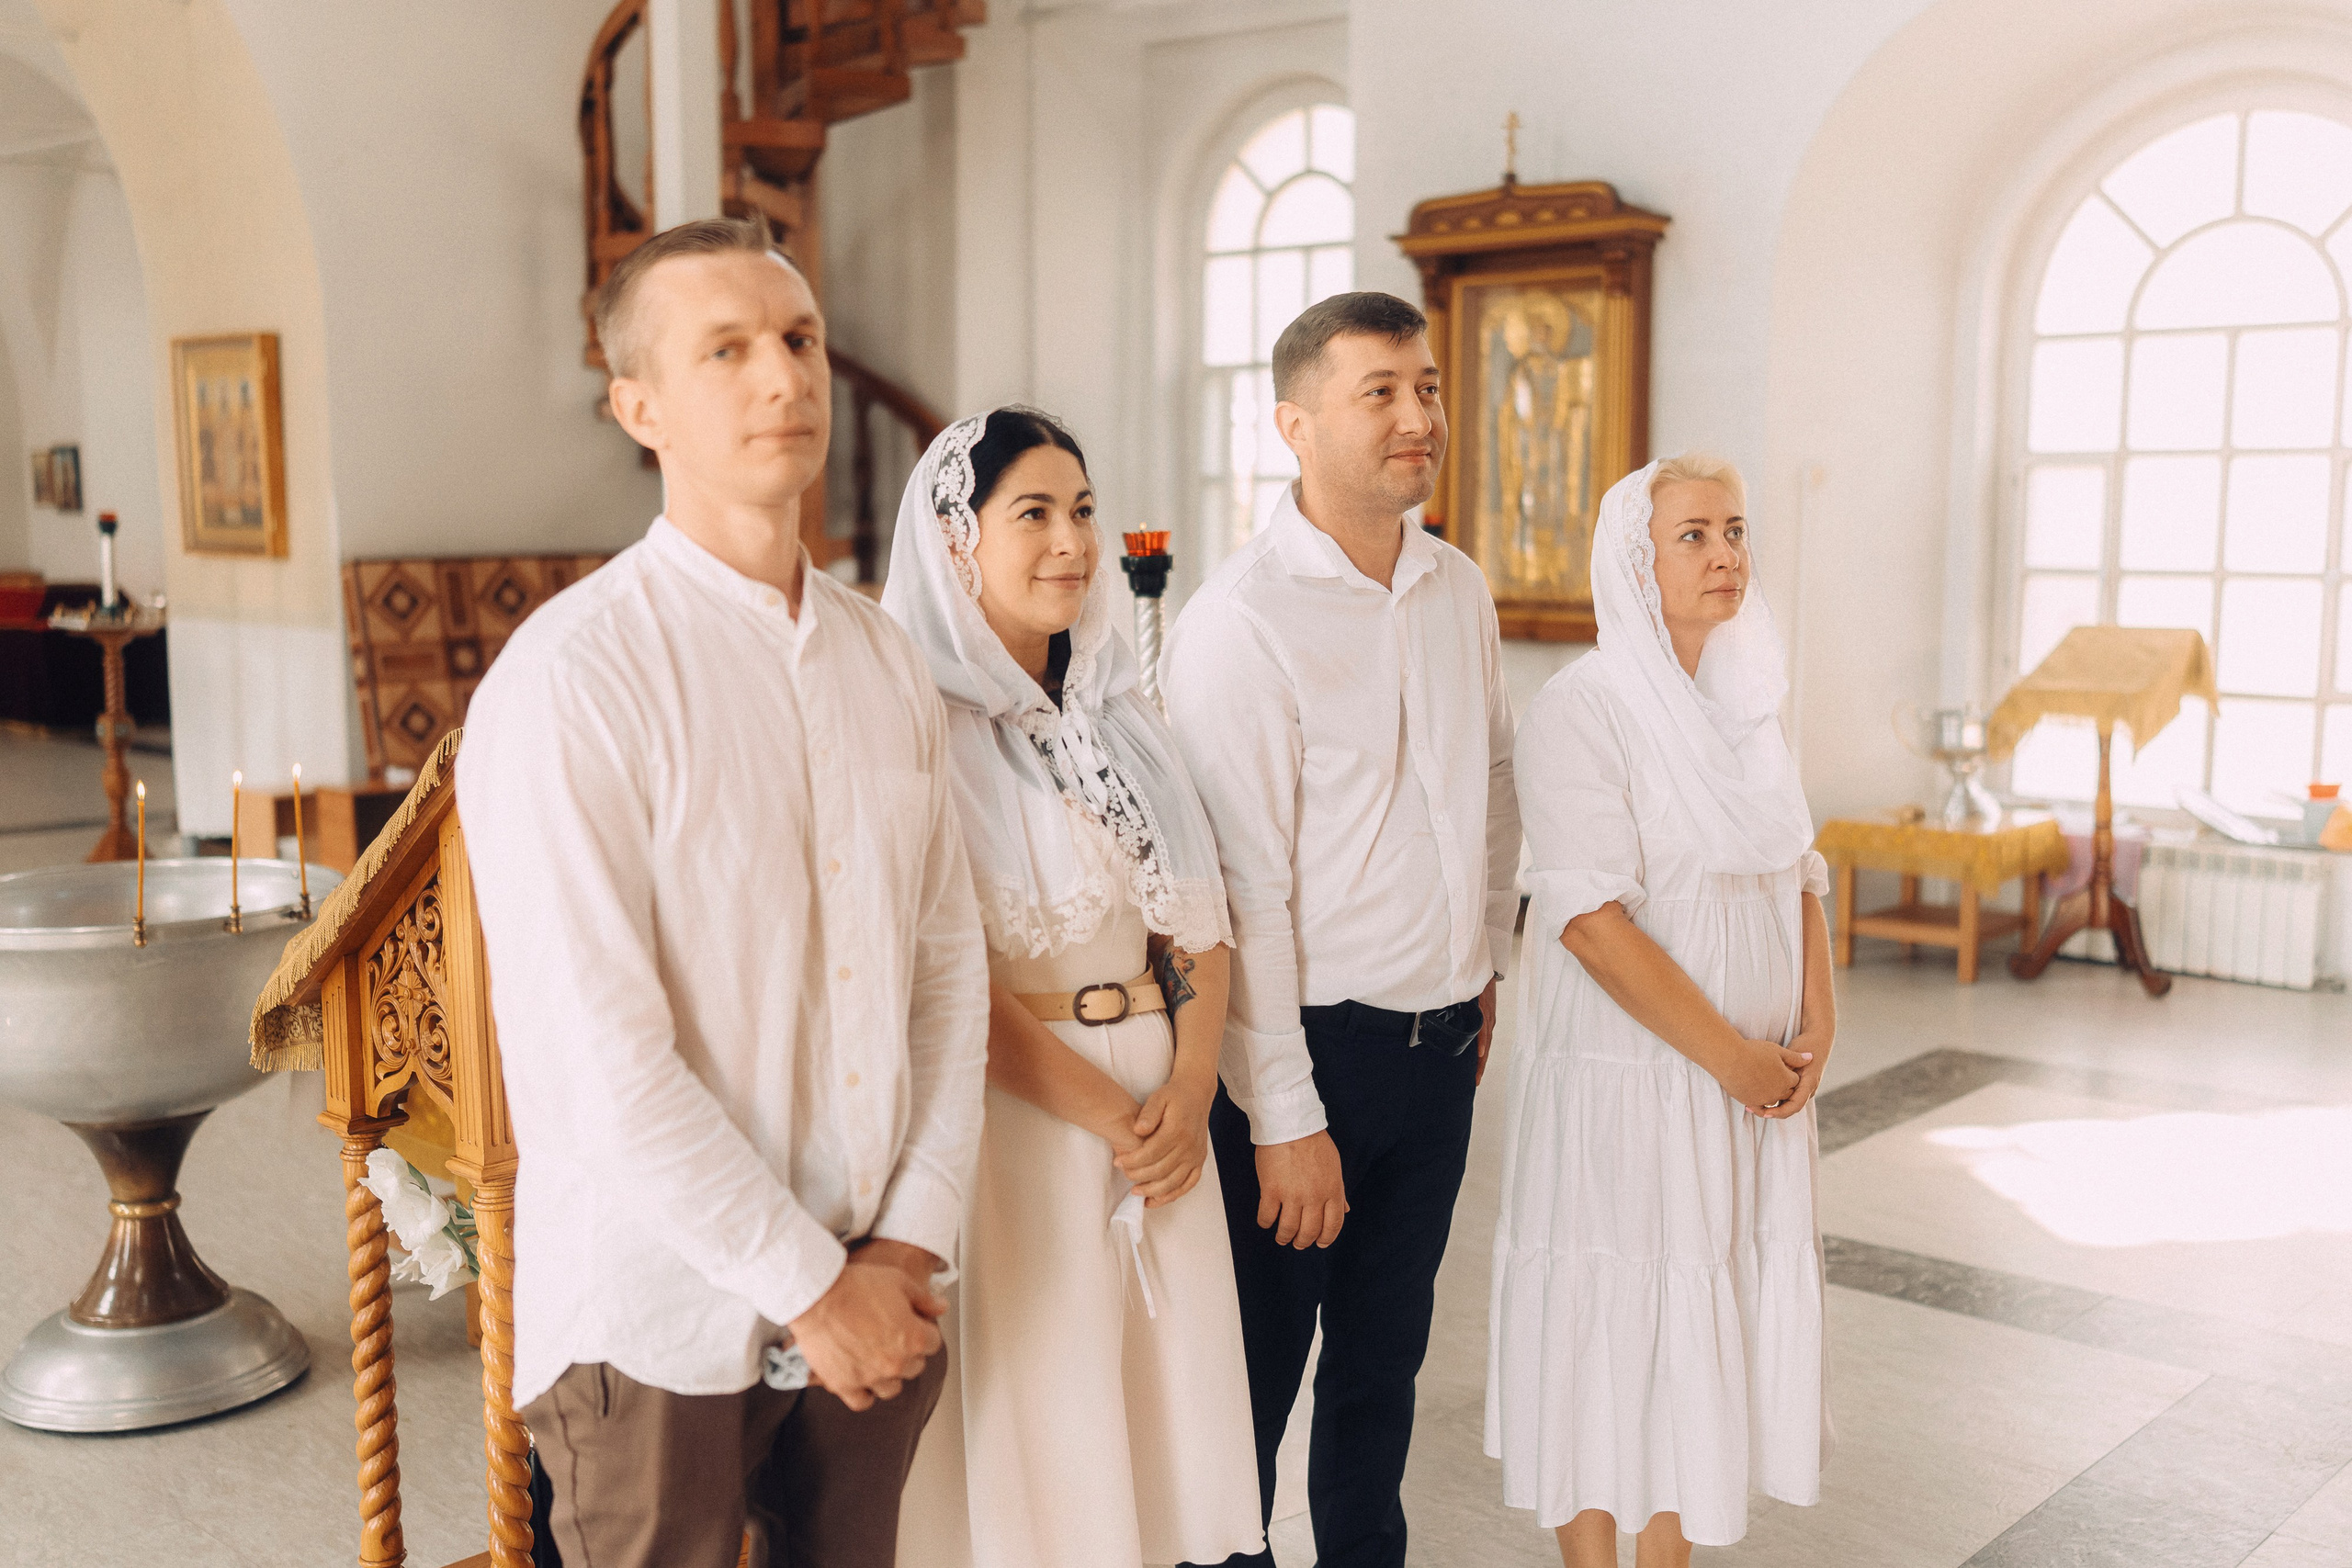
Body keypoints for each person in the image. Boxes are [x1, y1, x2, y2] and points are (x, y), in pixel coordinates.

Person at [457, 217, 989, 1568]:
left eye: (801, 340)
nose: (785, 378)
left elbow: (943, 968)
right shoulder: (574, 676)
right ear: (640, 405)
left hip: (877, 1278)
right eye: (728, 349)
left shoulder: (885, 659)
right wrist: (813, 1287)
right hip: (658, 1312)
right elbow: (601, 1061)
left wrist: (907, 1239)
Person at [1161, 292, 1521, 1568]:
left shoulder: (1454, 582)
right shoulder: (1241, 620)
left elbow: (1489, 784)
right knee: (1252, 1381)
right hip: (1307, 1055)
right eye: (1381, 391)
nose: (1420, 415)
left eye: (1426, 387)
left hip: (1438, 1049)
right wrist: (1287, 1115)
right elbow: (1239, 890)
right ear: (1294, 424)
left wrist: (1484, 961)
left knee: (1383, 1365)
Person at [883, 408, 1265, 1568]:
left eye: (1084, 511)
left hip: (1164, 1119)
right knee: (1042, 1415)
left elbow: (1195, 923)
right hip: (1020, 1126)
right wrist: (1115, 1118)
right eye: (1033, 514)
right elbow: (940, 977)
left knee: (1156, 1421)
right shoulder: (918, 729)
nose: (1072, 542)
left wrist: (1191, 1092)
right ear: (958, 541)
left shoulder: (1123, 719)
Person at [1487, 456, 1835, 1567]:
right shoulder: (1580, 711)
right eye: (1693, 534)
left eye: (1734, 529)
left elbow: (1801, 873)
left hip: (1748, 1082)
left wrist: (1813, 1023)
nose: (1726, 552)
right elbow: (1589, 921)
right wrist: (1728, 1056)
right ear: (1634, 559)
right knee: (1611, 1321)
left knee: (1706, 1316)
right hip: (1629, 1079)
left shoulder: (1749, 706)